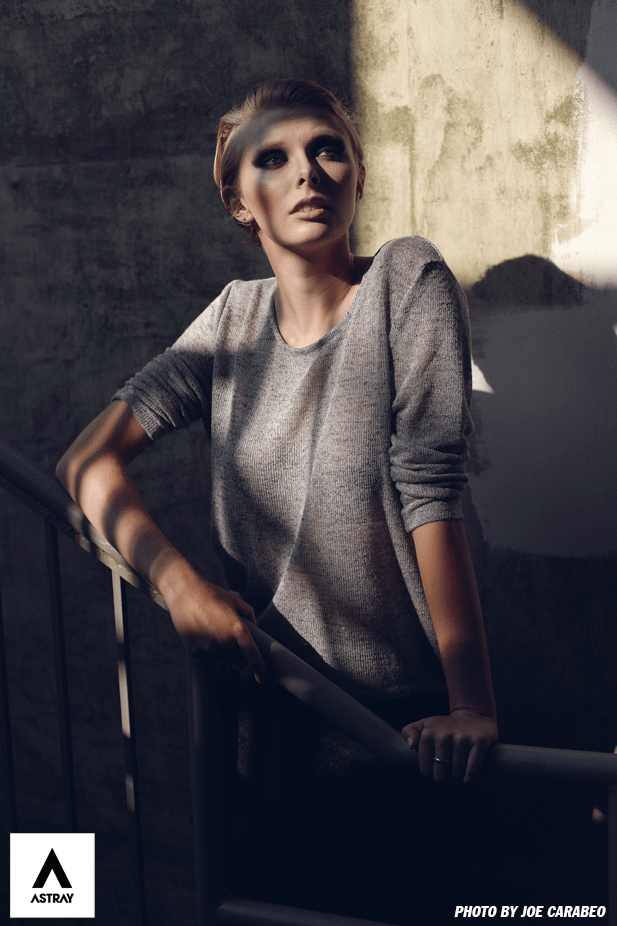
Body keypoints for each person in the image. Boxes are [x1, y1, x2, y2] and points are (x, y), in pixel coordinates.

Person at [57, 78, 498, 921]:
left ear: (357, 175)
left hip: (398, 735)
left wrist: (471, 706)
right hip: (265, 729)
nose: (306, 172)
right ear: (237, 201)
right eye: (273, 158)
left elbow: (429, 488)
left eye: (327, 149)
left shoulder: (406, 280)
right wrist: (179, 588)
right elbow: (87, 461)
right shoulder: (231, 320)